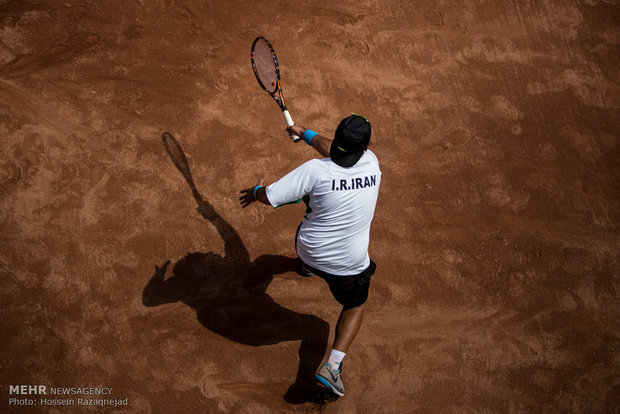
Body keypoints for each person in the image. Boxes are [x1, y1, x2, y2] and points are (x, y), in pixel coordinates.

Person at [239, 114, 381, 397]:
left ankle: (306, 267)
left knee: (308, 214)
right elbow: (340, 154)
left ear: (338, 137)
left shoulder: (315, 171)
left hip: (311, 250)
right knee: (355, 304)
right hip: (349, 265)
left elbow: (271, 196)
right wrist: (305, 133)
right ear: (364, 148)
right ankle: (332, 367)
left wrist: (255, 192)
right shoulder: (372, 162)